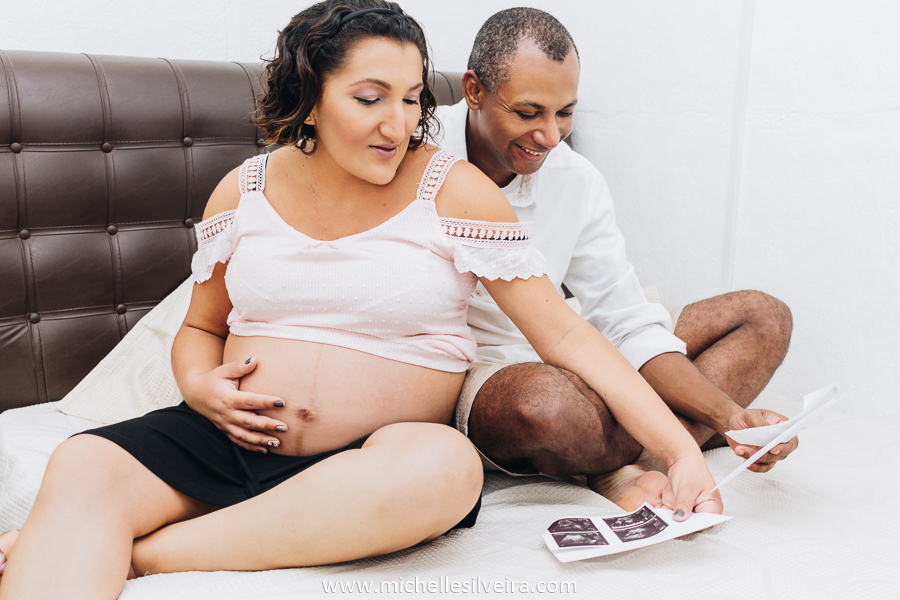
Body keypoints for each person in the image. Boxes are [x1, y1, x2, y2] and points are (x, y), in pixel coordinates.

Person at [0, 2, 722, 598]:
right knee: (83, 465)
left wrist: (675, 451)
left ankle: (148, 553)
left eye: (411, 99)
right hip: (230, 442)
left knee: (447, 468)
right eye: (370, 98)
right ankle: (111, 538)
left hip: (377, 458)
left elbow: (567, 336)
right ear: (310, 96)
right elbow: (199, 328)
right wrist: (201, 385)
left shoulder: (451, 190)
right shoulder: (242, 193)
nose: (398, 123)